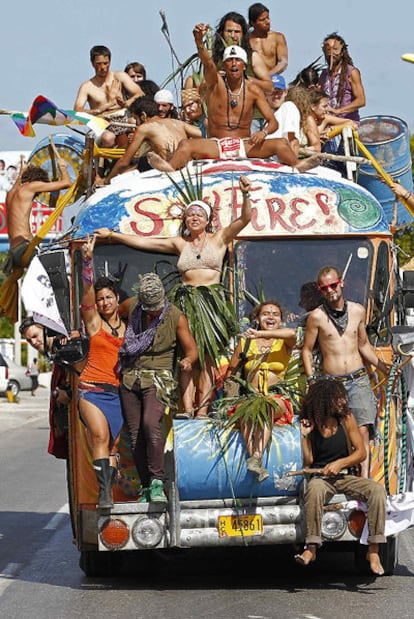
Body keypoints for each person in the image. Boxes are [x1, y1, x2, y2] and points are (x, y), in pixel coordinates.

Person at [95, 174, 252, 418]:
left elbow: (245, 218)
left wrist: (245, 194)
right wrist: (112, 236)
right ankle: (187, 408)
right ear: (185, 221)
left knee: (208, 356)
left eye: (199, 214)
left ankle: (203, 409)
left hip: (211, 302)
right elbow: (144, 243)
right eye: (190, 215)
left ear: (207, 218)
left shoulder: (220, 239)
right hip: (186, 300)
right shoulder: (181, 244)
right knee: (185, 354)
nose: (194, 218)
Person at [148, 27, 320, 173]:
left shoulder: (253, 90)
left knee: (281, 143)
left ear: (244, 65)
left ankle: (297, 165)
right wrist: (199, 42)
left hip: (245, 145)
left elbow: (272, 122)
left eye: (237, 60)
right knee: (186, 145)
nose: (233, 64)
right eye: (229, 61)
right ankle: (169, 168)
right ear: (224, 65)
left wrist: (263, 133)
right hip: (217, 144)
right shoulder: (216, 84)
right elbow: (208, 64)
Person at [302, 265, 391, 478]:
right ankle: (337, 476)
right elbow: (306, 349)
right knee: (333, 431)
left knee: (362, 431)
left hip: (358, 378)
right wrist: (312, 380)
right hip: (332, 383)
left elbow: (363, 345)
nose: (330, 290)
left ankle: (364, 481)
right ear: (320, 291)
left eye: (333, 285)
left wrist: (382, 367)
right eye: (325, 288)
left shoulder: (358, 311)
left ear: (341, 283)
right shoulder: (316, 317)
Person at [118, 273, 198, 503]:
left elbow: (191, 350)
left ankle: (157, 482)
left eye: (156, 307)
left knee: (150, 424)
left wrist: (187, 361)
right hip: (130, 377)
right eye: (149, 308)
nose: (153, 312)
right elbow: (112, 318)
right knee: (135, 436)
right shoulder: (131, 306)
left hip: (159, 377)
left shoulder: (175, 316)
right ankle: (145, 487)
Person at [295, 378, 386, 575]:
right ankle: (311, 547)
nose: (343, 401)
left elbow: (361, 452)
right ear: (325, 401)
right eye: (337, 398)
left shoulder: (346, 419)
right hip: (321, 478)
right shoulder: (311, 423)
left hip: (345, 476)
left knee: (377, 490)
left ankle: (374, 549)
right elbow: (308, 462)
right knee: (314, 489)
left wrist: (340, 463)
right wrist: (305, 435)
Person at [78, 234, 126, 509]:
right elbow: (86, 293)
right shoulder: (94, 323)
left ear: (117, 299)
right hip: (92, 390)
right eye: (100, 299)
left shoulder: (130, 328)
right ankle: (104, 494)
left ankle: (111, 486)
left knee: (114, 448)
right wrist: (87, 262)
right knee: (100, 437)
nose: (105, 302)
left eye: (109, 297)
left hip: (118, 394)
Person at [225, 300, 296, 482]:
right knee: (249, 410)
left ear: (281, 319)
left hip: (276, 398)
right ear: (257, 317)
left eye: (275, 314)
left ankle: (256, 456)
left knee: (265, 407)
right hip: (251, 396)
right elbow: (231, 372)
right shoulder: (246, 342)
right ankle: (254, 459)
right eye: (266, 313)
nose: (270, 317)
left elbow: (292, 333)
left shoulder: (284, 342)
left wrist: (260, 333)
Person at [101, 96, 202, 184]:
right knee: (142, 162)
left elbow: (124, 161)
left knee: (134, 167)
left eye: (136, 119)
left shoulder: (144, 128)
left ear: (143, 116)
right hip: (188, 168)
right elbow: (203, 135)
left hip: (170, 170)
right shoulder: (178, 123)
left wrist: (106, 181)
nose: (135, 124)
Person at [2, 154, 71, 276]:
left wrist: (22, 171)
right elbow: (66, 183)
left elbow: (19, 181)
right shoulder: (31, 186)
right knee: (59, 271)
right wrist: (63, 168)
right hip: (25, 249)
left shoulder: (11, 192)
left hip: (14, 252)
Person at [73, 45, 144, 147]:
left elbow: (140, 93)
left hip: (123, 121)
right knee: (108, 138)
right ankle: (106, 162)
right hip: (102, 125)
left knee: (136, 125)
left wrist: (125, 103)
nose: (102, 67)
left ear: (110, 62)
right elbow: (77, 111)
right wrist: (98, 110)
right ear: (92, 63)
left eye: (105, 63)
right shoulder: (87, 86)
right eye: (98, 64)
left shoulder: (119, 76)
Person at [212, 11, 273, 93]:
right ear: (222, 33)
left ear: (243, 34)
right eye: (229, 31)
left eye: (237, 32)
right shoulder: (215, 57)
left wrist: (245, 79)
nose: (233, 36)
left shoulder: (252, 57)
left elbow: (269, 87)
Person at [318, 33, 366, 122]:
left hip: (348, 123)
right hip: (328, 123)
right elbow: (319, 99)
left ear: (342, 52)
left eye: (335, 49)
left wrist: (338, 111)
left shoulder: (351, 72)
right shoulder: (324, 74)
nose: (331, 53)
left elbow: (361, 100)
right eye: (328, 49)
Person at [248, 3, 288, 75]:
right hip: (251, 80)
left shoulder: (278, 37)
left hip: (272, 78)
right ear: (253, 23)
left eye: (268, 18)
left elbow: (283, 62)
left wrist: (268, 75)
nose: (267, 22)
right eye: (262, 20)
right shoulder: (246, 39)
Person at [265, 74, 300, 155]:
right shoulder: (268, 114)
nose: (276, 96)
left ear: (285, 92)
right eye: (272, 92)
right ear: (265, 94)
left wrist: (292, 164)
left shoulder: (288, 107)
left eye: (279, 92)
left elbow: (293, 141)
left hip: (280, 162)